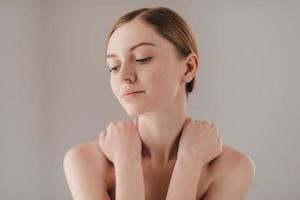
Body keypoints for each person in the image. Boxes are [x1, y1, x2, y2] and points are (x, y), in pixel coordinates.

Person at [63, 6, 256, 200]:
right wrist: (127, 161)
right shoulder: (85, 161)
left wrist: (189, 161)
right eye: (114, 67)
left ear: (188, 68)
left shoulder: (233, 168)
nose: (124, 76)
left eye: (142, 59)